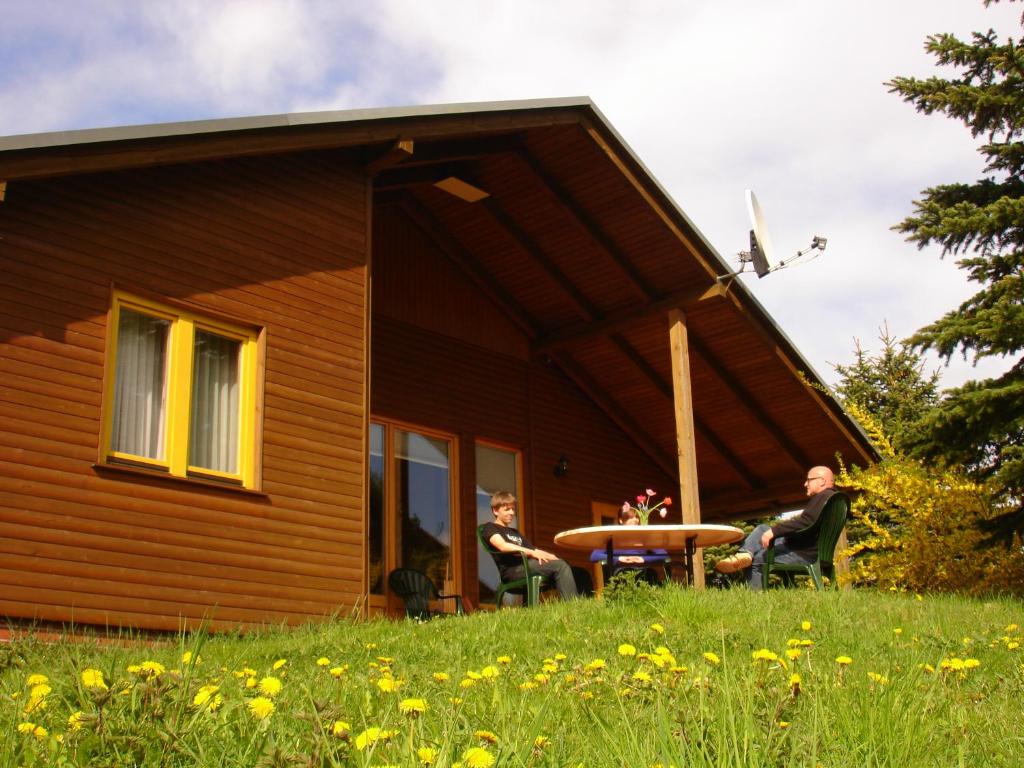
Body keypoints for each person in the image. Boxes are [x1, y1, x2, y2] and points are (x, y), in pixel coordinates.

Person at [714, 466, 837, 590]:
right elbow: (811, 526)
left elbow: (805, 522)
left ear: (821, 481)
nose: (805, 484)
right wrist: (773, 532)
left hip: (804, 554)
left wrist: (775, 531)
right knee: (763, 528)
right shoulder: (834, 500)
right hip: (807, 548)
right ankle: (745, 554)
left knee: (757, 559)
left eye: (809, 480)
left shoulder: (824, 497)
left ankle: (756, 601)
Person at [481, 491, 578, 601]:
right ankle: (573, 605)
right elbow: (502, 546)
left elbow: (534, 550)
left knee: (571, 568)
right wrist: (532, 553)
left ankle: (583, 605)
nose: (512, 512)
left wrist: (551, 556)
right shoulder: (490, 527)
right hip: (513, 571)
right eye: (507, 509)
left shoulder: (514, 532)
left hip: (528, 566)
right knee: (560, 566)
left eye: (513, 509)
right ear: (495, 510)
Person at [589, 506, 669, 585]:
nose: (635, 520)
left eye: (637, 517)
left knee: (651, 574)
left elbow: (663, 554)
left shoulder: (644, 538)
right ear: (620, 520)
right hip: (620, 572)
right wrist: (619, 558)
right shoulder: (613, 539)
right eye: (631, 518)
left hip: (642, 571)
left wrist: (643, 558)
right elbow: (594, 556)